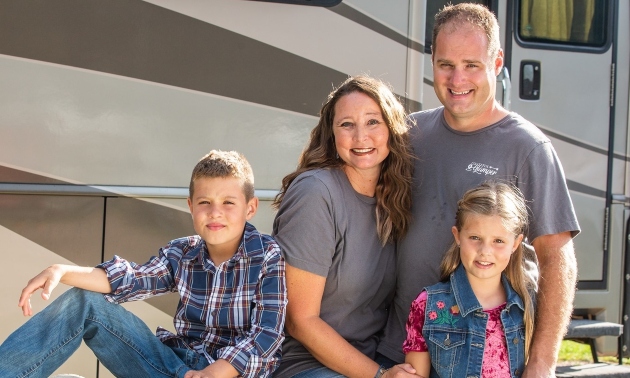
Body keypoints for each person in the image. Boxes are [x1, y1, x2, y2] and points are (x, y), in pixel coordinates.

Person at [377, 3, 580, 377]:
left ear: (497, 62)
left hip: (488, 360)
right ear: (432, 62)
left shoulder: (528, 148)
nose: (457, 79)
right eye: (446, 65)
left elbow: (558, 260)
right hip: (403, 356)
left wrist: (542, 362)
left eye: (472, 65)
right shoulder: (409, 135)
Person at [0, 150, 287, 378]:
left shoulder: (267, 255)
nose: (215, 213)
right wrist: (60, 270)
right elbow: (131, 279)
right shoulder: (182, 252)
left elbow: (267, 335)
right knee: (85, 300)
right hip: (174, 366)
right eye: (204, 202)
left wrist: (214, 373)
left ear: (250, 208)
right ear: (190, 206)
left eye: (228, 203)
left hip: (227, 373)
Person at [271, 75, 417, 378]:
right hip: (302, 365)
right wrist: (379, 376)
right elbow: (300, 320)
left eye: (373, 122)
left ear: (391, 129)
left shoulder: (391, 199)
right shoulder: (316, 192)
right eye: (347, 124)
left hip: (362, 363)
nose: (361, 137)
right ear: (332, 135)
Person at [403, 181, 536, 377]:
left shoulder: (526, 306)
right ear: (457, 236)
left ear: (515, 244)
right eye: (475, 238)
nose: (485, 251)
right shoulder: (429, 305)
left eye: (498, 241)